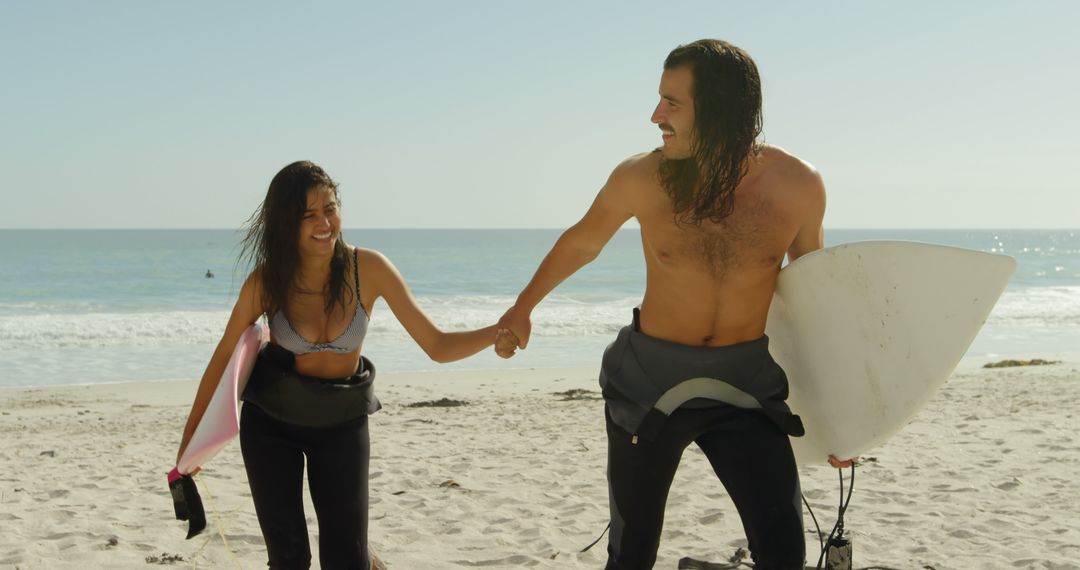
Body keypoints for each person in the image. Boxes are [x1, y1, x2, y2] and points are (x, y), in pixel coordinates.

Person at [494, 39, 853, 569]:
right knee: (633, 553)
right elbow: (582, 242)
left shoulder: (797, 184)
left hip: (745, 388)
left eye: (672, 103)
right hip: (648, 384)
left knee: (784, 553)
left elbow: (811, 300)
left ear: (720, 109)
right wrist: (522, 309)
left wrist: (841, 420)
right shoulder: (642, 176)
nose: (655, 115)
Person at [176, 161, 499, 570]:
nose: (324, 222)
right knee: (289, 558)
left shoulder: (370, 269)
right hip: (272, 425)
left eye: (330, 208)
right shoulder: (266, 282)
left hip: (342, 424)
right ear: (285, 223)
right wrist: (191, 441)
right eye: (308, 215)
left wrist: (496, 332)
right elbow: (224, 358)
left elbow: (435, 344)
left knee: (346, 558)